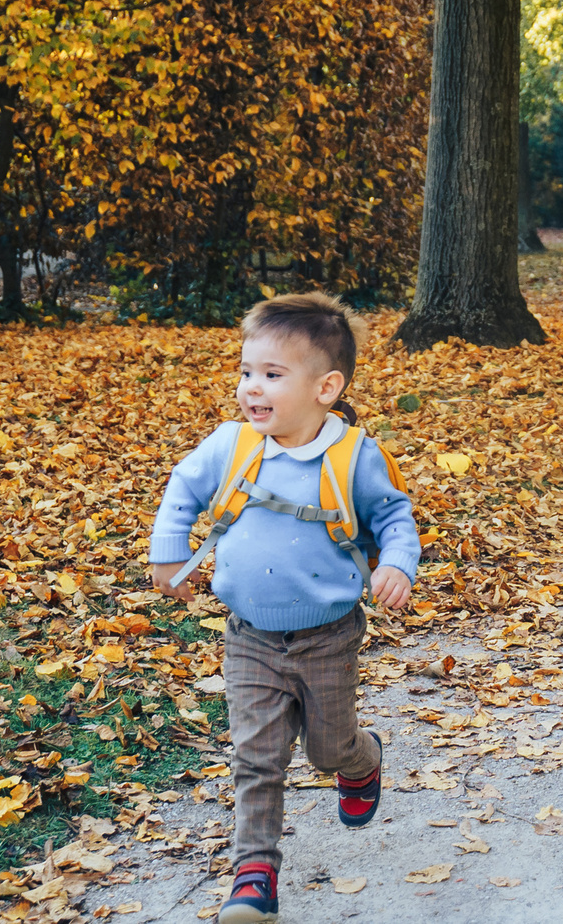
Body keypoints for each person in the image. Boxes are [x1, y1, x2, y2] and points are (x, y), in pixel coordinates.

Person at [149, 292, 419, 923]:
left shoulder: (354, 456)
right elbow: (181, 489)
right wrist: (169, 553)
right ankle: (254, 878)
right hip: (249, 637)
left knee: (326, 751)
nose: (251, 388)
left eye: (272, 375)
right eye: (246, 372)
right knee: (257, 759)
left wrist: (396, 564)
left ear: (326, 387)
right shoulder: (230, 446)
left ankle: (360, 759)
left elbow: (394, 517)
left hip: (328, 636)